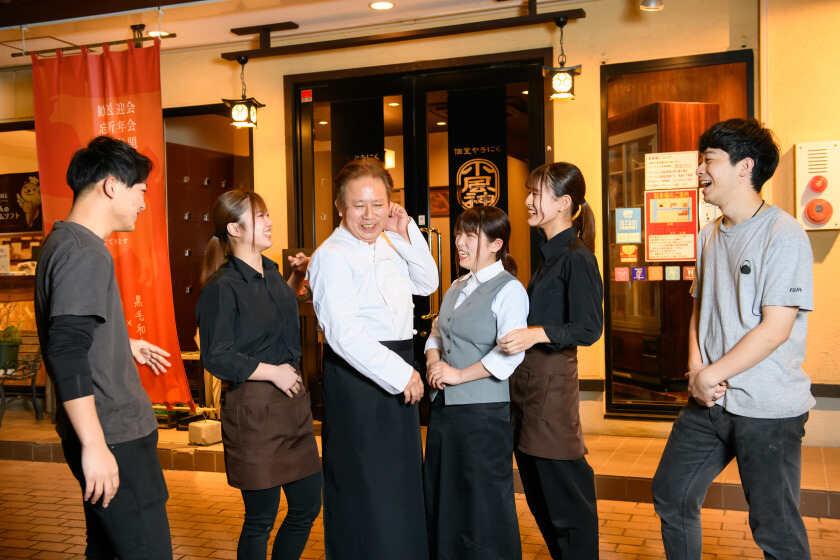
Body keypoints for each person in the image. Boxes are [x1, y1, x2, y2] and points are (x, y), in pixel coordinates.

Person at [652, 118, 814, 560]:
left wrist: (712, 374)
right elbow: (700, 309)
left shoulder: (783, 233)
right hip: (709, 402)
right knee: (672, 493)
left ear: (745, 167)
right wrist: (697, 371)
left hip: (768, 408)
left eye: (709, 160)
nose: (699, 170)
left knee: (775, 528)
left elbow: (776, 328)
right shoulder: (708, 235)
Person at [34, 136, 174, 559]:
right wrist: (95, 445)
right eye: (140, 190)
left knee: (109, 548)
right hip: (113, 434)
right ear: (112, 186)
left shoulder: (64, 242)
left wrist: (121, 342)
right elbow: (66, 350)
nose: (143, 204)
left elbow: (71, 326)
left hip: (108, 432)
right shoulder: (84, 252)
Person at [307, 158, 438, 560]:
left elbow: (428, 281)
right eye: (359, 205)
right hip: (360, 379)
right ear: (340, 206)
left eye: (378, 205)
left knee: (399, 482)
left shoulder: (389, 242)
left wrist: (406, 230)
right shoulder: (330, 256)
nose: (369, 216)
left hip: (397, 369)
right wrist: (403, 374)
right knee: (364, 484)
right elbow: (343, 334)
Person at [196, 190, 321, 560]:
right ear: (235, 229)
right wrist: (272, 373)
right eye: (260, 216)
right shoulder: (222, 287)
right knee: (260, 519)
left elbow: (270, 316)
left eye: (267, 214)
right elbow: (216, 356)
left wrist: (297, 276)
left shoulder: (271, 272)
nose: (269, 221)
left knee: (307, 505)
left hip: (292, 407)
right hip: (254, 411)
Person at [498, 162, 604, 559]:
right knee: (539, 490)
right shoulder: (550, 256)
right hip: (530, 386)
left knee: (565, 494)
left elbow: (589, 328)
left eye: (537, 193)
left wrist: (535, 333)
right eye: (529, 192)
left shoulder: (577, 258)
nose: (528, 200)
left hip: (552, 390)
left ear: (563, 203)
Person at [423, 206, 528, 560]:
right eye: (459, 234)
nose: (459, 242)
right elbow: (437, 333)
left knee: (483, 505)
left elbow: (511, 354)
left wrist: (458, 375)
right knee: (446, 499)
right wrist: (434, 360)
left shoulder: (509, 290)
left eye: (471, 236)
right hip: (445, 412)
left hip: (483, 415)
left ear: (496, 244)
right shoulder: (457, 286)